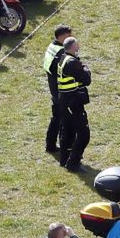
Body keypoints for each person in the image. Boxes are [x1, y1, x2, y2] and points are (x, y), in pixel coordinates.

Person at [53, 37, 91, 170]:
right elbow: (86, 79)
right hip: (73, 103)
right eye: (77, 46)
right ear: (72, 47)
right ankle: (73, 163)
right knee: (84, 134)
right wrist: (86, 68)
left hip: (64, 101)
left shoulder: (62, 59)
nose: (78, 48)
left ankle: (64, 160)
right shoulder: (72, 62)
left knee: (67, 132)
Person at [42, 25, 73, 157]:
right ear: (62, 37)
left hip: (53, 88)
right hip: (60, 90)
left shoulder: (52, 46)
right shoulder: (61, 52)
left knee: (56, 118)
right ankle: (63, 147)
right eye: (69, 36)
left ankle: (50, 145)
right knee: (63, 120)